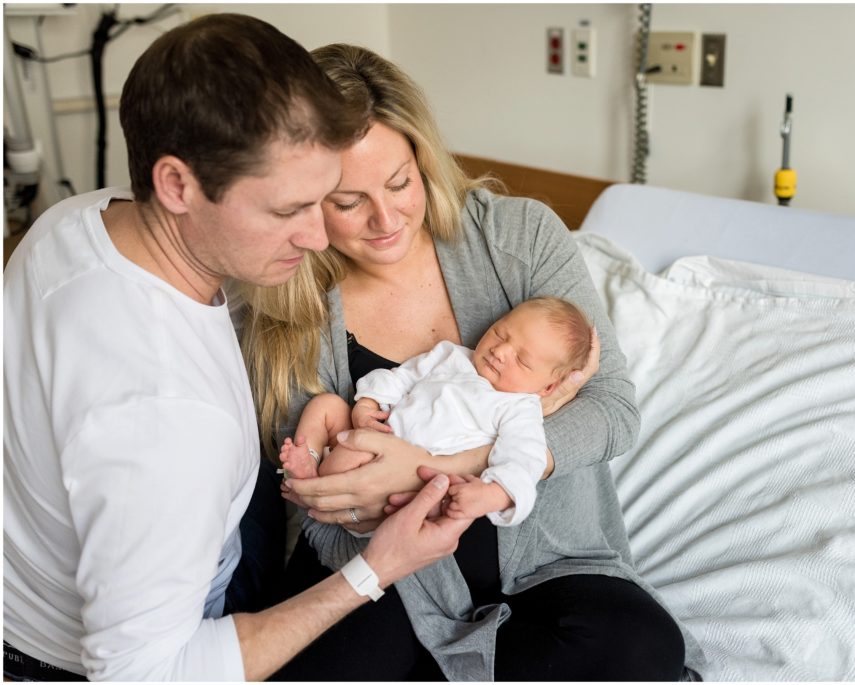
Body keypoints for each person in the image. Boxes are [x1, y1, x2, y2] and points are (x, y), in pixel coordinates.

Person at [2, 14, 474, 682]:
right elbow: (148, 675)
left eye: (323, 200)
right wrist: (375, 569)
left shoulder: (74, 223)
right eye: (288, 211)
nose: (318, 237)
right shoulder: (165, 419)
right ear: (176, 184)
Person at [238, 43, 692, 681]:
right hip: (380, 570)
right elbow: (316, 484)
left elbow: (613, 411)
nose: (386, 218)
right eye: (347, 201)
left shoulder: (518, 238)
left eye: (400, 182)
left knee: (639, 647)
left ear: (423, 158)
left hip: (549, 564)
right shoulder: (285, 297)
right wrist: (334, 449)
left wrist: (459, 465)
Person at [280, 296, 594, 527]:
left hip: (404, 490)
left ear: (547, 389)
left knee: (353, 456)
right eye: (501, 333)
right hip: (379, 431)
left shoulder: (519, 410)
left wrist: (494, 494)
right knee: (326, 406)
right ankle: (308, 462)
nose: (500, 352)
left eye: (522, 360)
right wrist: (368, 404)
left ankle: (315, 481)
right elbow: (402, 377)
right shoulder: (451, 355)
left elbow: (525, 459)